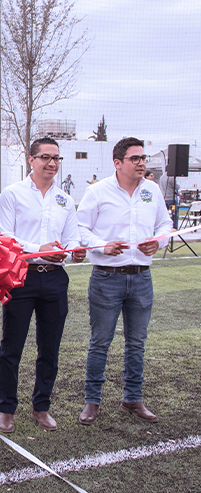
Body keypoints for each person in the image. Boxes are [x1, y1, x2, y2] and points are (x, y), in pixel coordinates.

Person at [76, 137, 172, 426]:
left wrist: (159, 242)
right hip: (107, 278)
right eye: (135, 158)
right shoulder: (97, 192)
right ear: (118, 163)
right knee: (100, 342)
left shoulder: (152, 190)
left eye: (143, 158)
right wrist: (102, 245)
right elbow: (80, 229)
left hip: (142, 278)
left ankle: (133, 398)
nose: (142, 163)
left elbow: (165, 225)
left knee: (137, 343)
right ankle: (92, 402)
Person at [0, 137, 85, 433]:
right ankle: (6, 409)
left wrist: (75, 250)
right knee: (12, 347)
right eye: (45, 157)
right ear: (31, 159)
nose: (52, 163)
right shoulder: (12, 194)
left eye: (56, 158)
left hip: (56, 279)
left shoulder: (65, 199)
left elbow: (71, 239)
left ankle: (41, 406)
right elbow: (4, 237)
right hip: (21, 277)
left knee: (50, 348)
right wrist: (39, 248)